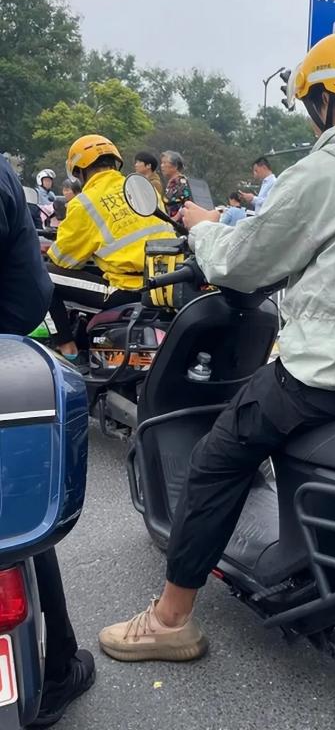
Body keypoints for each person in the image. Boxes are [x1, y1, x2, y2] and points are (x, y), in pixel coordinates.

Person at [98, 31, 335, 662]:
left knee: (218, 459)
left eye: (311, 104)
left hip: (327, 375)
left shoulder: (324, 170)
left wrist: (205, 230)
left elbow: (242, 264)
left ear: (325, 101)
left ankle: (171, 619)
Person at [0, 153, 95, 726]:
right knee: (16, 507)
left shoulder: (80, 203)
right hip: (15, 333)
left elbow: (62, 250)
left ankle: (57, 662)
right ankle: (57, 663)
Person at [46, 134, 174, 361]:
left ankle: (67, 347)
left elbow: (63, 260)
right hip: (164, 284)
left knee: (41, 275)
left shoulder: (84, 203)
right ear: (115, 162)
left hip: (125, 290)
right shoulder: (144, 188)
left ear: (80, 171)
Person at [160, 150, 192, 220]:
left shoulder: (181, 182)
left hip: (180, 225)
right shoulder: (172, 182)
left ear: (175, 166)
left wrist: (175, 219)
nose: (162, 166)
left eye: (165, 163)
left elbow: (187, 203)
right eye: (161, 163)